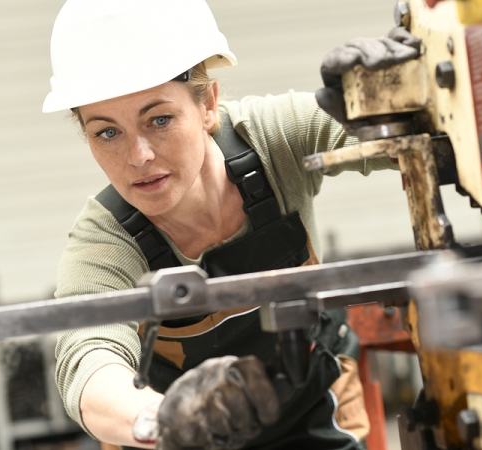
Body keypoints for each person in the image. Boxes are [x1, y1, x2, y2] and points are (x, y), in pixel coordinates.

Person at [46, 1, 417, 449]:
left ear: (208, 104)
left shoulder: (272, 140)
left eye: (159, 119)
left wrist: (396, 100)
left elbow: (402, 138)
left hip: (313, 409)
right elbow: (88, 360)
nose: (138, 155)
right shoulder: (105, 242)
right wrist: (159, 420)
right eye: (107, 132)